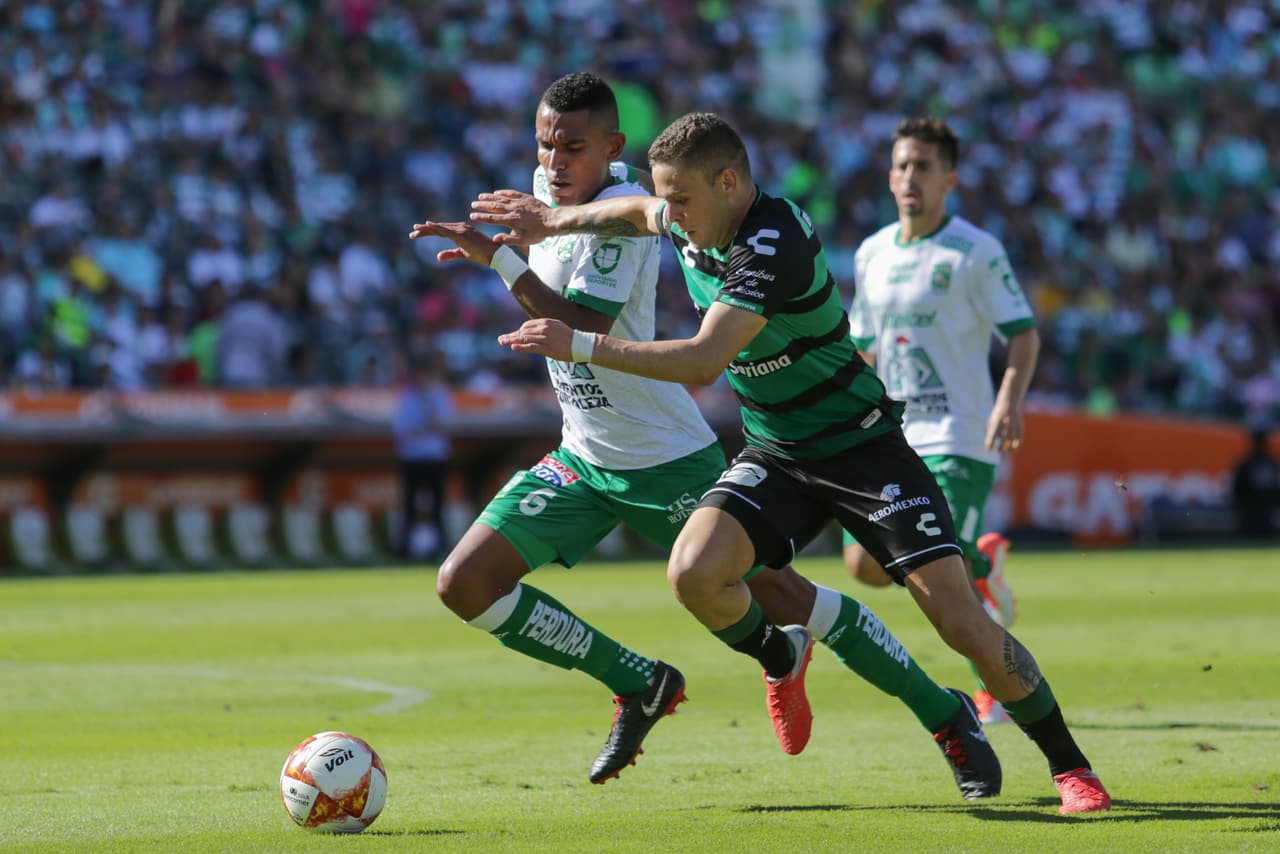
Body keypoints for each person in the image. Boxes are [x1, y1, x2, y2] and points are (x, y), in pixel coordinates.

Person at [474, 111, 1110, 814]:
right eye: (669, 201)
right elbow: (634, 213)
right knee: (694, 573)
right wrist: (549, 223)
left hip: (862, 450)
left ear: (730, 182)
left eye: (683, 201)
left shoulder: (771, 240)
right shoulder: (691, 213)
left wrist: (581, 344)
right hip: (777, 451)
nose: (673, 219)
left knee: (962, 624)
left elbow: (705, 360)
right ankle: (783, 657)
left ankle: (1070, 768)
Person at [842, 117, 1041, 727]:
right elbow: (863, 348)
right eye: (902, 166)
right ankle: (985, 566)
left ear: (948, 179)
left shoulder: (975, 251)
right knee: (863, 565)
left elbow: (1022, 333)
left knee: (941, 585)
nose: (909, 178)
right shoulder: (872, 253)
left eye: (923, 167)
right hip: (891, 438)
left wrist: (1009, 399)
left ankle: (996, 693)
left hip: (960, 433)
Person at [391, 352, 455, 560]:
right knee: (409, 505)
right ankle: (405, 549)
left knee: (438, 505)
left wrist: (427, 423)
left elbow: (445, 425)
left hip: (435, 457)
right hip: (413, 457)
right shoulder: (407, 396)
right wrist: (427, 425)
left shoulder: (439, 395)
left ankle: (441, 548)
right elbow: (403, 430)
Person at [1231, 426, 1280, 538]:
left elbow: (1237, 489)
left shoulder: (1246, 462)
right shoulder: (1271, 462)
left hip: (1257, 513)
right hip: (1258, 513)